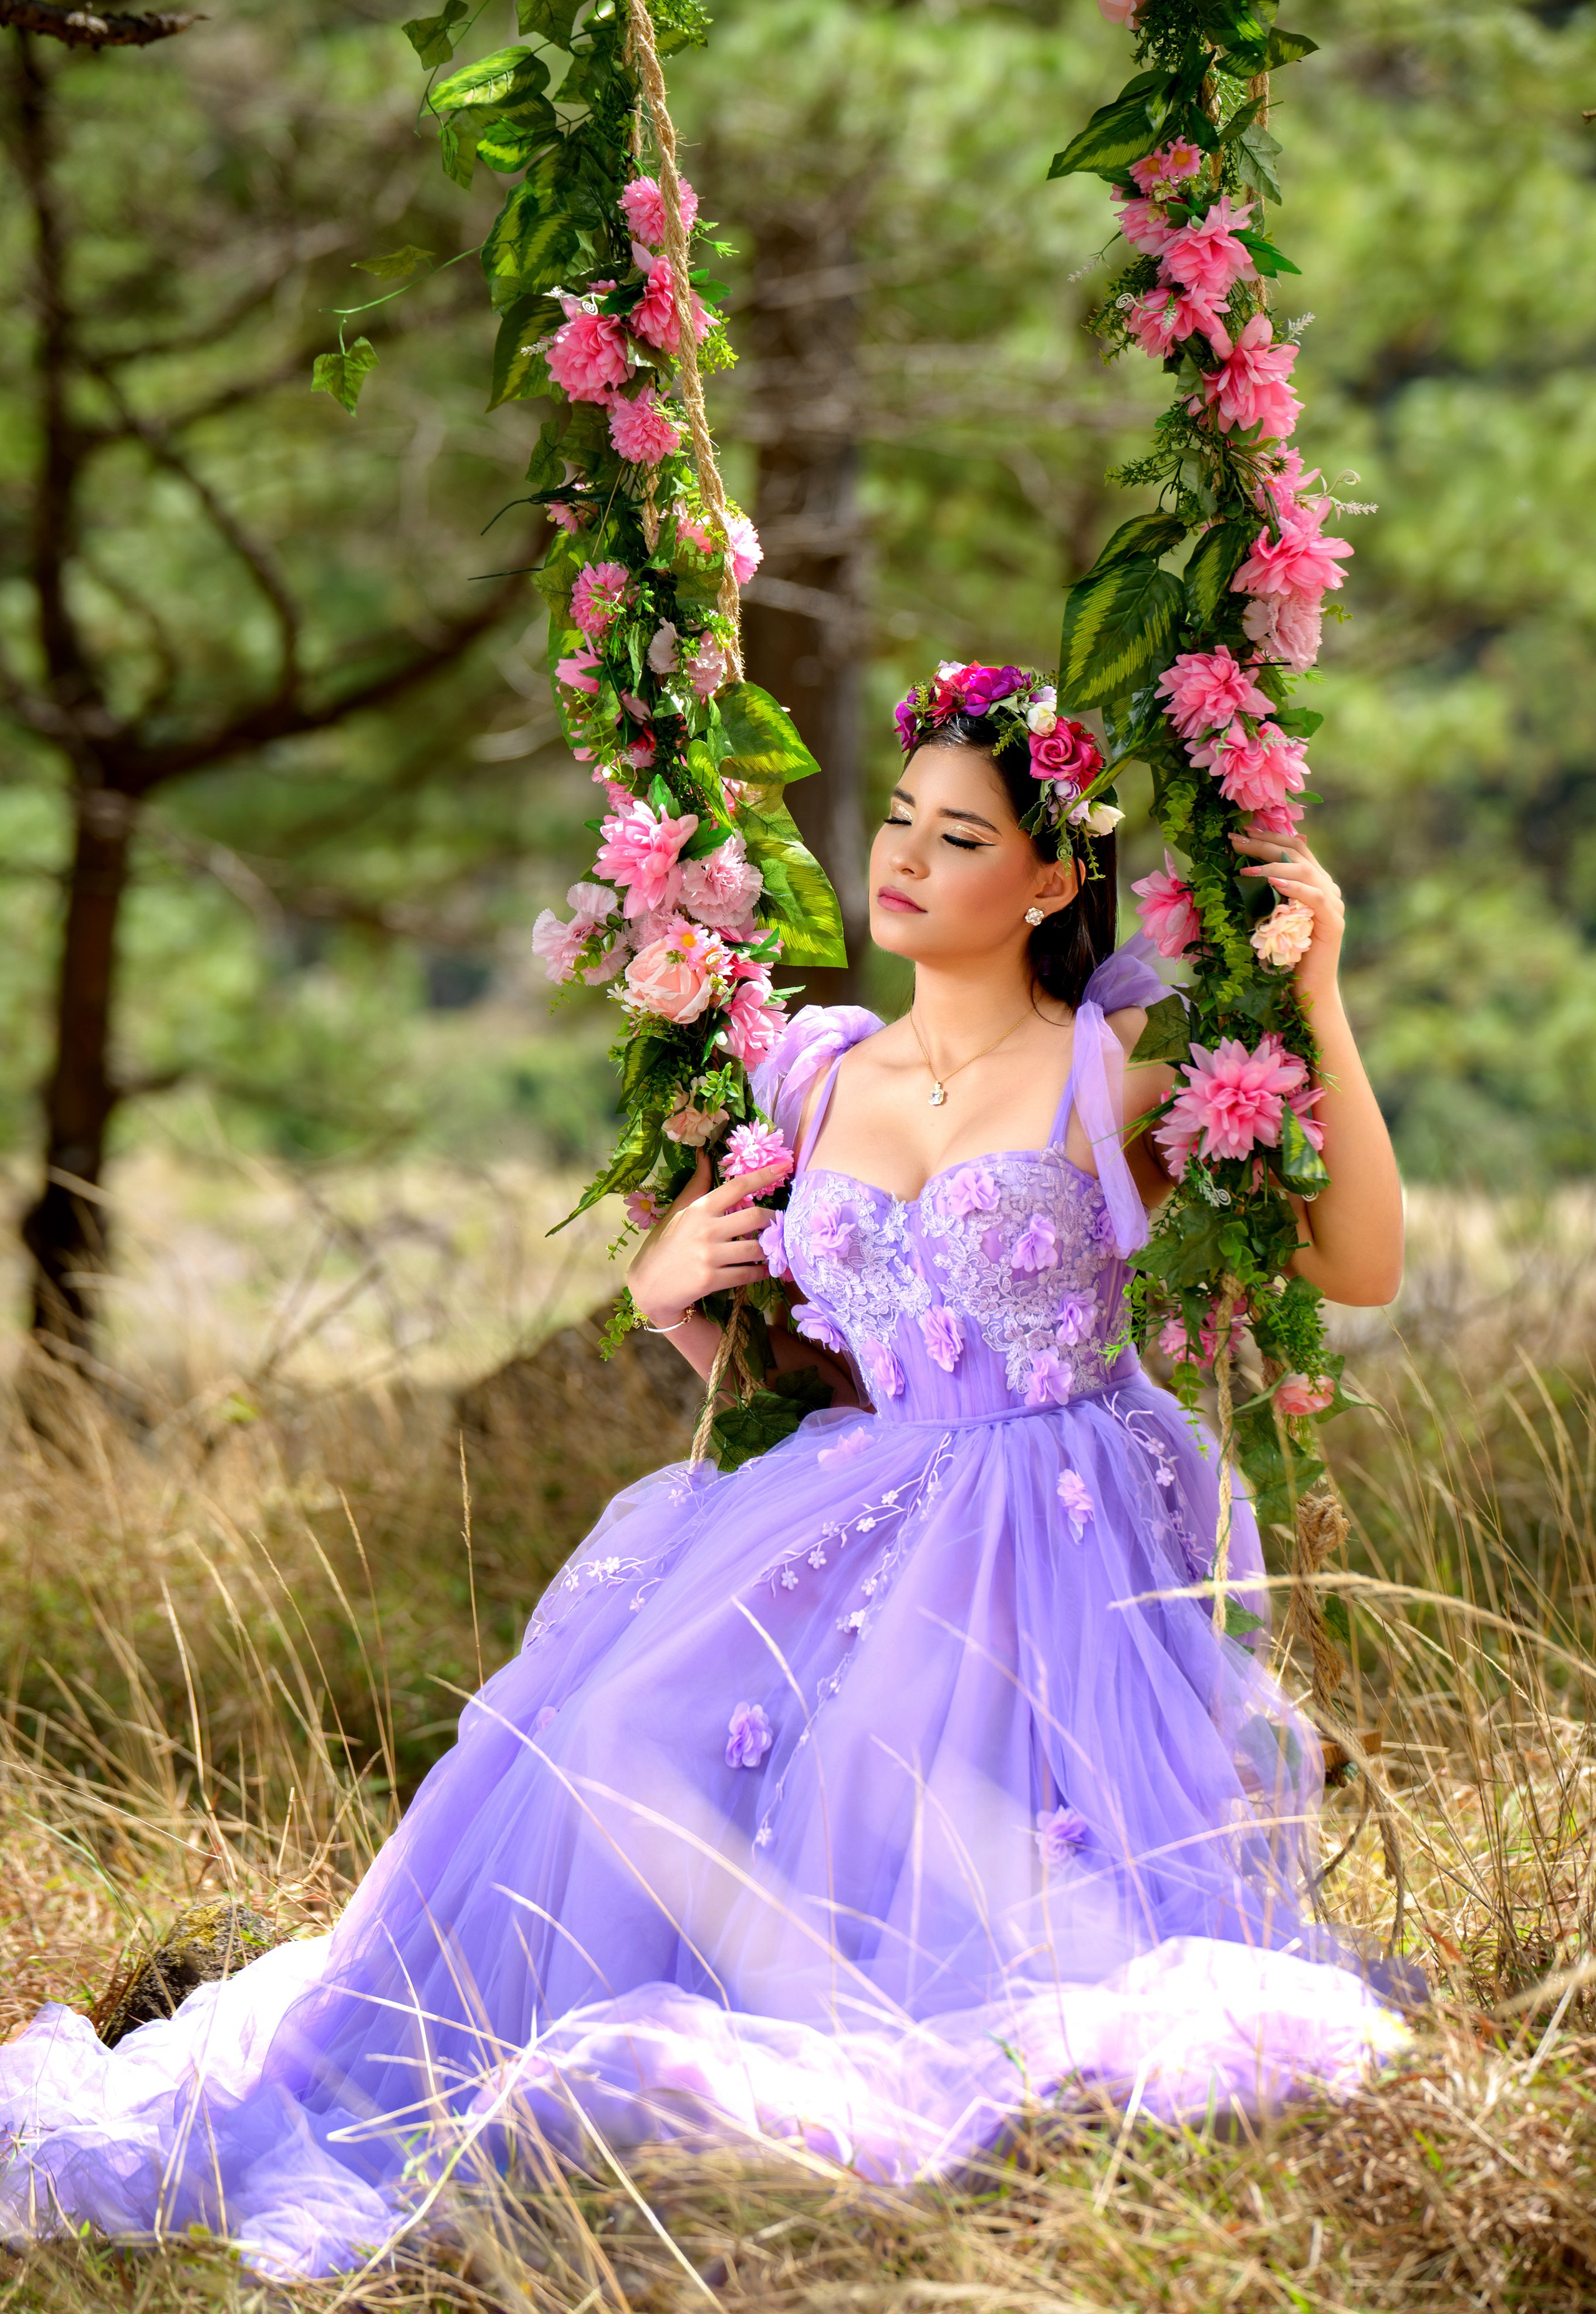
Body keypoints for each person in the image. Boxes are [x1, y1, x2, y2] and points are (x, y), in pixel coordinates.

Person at [0, 671, 1409, 2282]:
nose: (904, 860)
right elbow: (790, 1363)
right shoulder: (819, 1077)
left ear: (1049, 880)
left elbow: (1357, 1262)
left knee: (924, 1822)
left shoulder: (1118, 1077)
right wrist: (672, 1288)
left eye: (961, 837)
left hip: (1050, 1522)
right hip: (845, 1491)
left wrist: (1322, 1004)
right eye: (897, 820)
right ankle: (524, 2094)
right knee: (609, 1736)